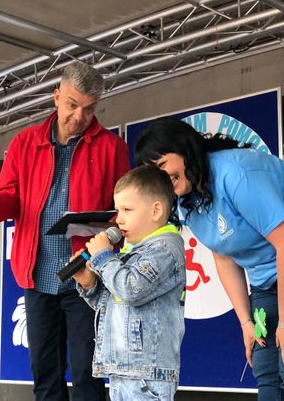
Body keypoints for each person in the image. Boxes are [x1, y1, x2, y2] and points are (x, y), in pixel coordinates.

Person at [134, 117, 284, 401]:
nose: (161, 176)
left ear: (184, 149)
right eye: (152, 171)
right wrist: (246, 323)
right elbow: (224, 257)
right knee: (265, 368)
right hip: (269, 271)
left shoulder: (235, 172)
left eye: (163, 164)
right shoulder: (186, 200)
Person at [0, 61, 130, 401]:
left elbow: (124, 212)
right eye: (72, 105)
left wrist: (109, 231)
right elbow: (11, 199)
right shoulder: (24, 142)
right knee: (44, 375)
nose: (79, 116)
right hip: (37, 276)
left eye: (89, 109)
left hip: (87, 277)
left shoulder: (112, 148)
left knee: (88, 375)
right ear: (56, 96)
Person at [72, 165, 186, 401]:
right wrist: (90, 285)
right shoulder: (132, 250)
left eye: (127, 210)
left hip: (147, 374)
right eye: (117, 210)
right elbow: (114, 302)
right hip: (124, 370)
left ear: (156, 211)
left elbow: (131, 290)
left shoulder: (164, 249)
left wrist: (104, 257)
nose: (119, 219)